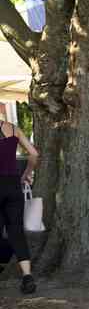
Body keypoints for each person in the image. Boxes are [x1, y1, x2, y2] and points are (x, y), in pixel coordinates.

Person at [0, 120, 39, 294]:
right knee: (16, 231)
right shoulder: (13, 128)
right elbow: (34, 154)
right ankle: (27, 276)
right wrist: (26, 174)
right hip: (14, 185)